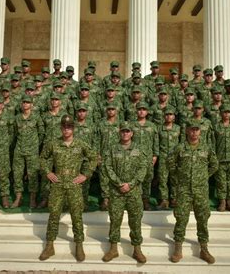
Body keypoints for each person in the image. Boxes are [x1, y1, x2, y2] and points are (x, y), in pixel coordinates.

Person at [39, 115, 97, 262]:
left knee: (77, 216)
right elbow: (42, 158)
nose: (66, 129)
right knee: (53, 214)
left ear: (73, 128)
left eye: (69, 127)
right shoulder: (53, 144)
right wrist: (48, 172)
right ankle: (50, 245)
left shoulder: (80, 144)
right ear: (61, 128)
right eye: (64, 127)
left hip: (74, 184)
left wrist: (85, 174)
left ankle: (79, 245)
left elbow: (94, 158)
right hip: (58, 184)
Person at [168, 119, 218, 264]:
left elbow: (214, 165)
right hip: (184, 190)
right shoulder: (180, 147)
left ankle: (204, 249)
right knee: (181, 218)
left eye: (197, 129)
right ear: (187, 131)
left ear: (200, 131)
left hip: (201, 190)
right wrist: (179, 175)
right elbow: (170, 161)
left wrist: (203, 176)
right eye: (191, 129)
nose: (194, 132)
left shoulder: (206, 148)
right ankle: (178, 248)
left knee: (202, 219)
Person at [102, 122, 149, 263]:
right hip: (116, 191)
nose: (125, 133)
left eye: (128, 131)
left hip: (133, 191)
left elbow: (143, 167)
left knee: (135, 221)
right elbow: (107, 167)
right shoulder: (112, 149)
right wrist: (119, 183)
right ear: (119, 133)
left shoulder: (139, 149)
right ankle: (113, 249)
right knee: (115, 220)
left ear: (132, 133)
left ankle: (137, 249)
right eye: (123, 131)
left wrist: (131, 184)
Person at [12, 95, 44, 208]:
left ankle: (32, 199)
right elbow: (14, 133)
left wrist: (35, 145)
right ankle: (18, 197)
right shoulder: (17, 118)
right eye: (23, 102)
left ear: (31, 104)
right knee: (17, 174)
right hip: (19, 150)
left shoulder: (36, 117)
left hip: (32, 151)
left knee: (33, 175)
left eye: (27, 102)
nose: (25, 104)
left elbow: (41, 133)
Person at [157, 107, 181, 209]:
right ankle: (164, 200)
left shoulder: (178, 128)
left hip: (175, 158)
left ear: (174, 117)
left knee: (175, 179)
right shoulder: (159, 128)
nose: (168, 116)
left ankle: (174, 199)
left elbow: (181, 143)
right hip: (163, 157)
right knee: (162, 179)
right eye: (166, 114)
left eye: (170, 114)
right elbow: (156, 142)